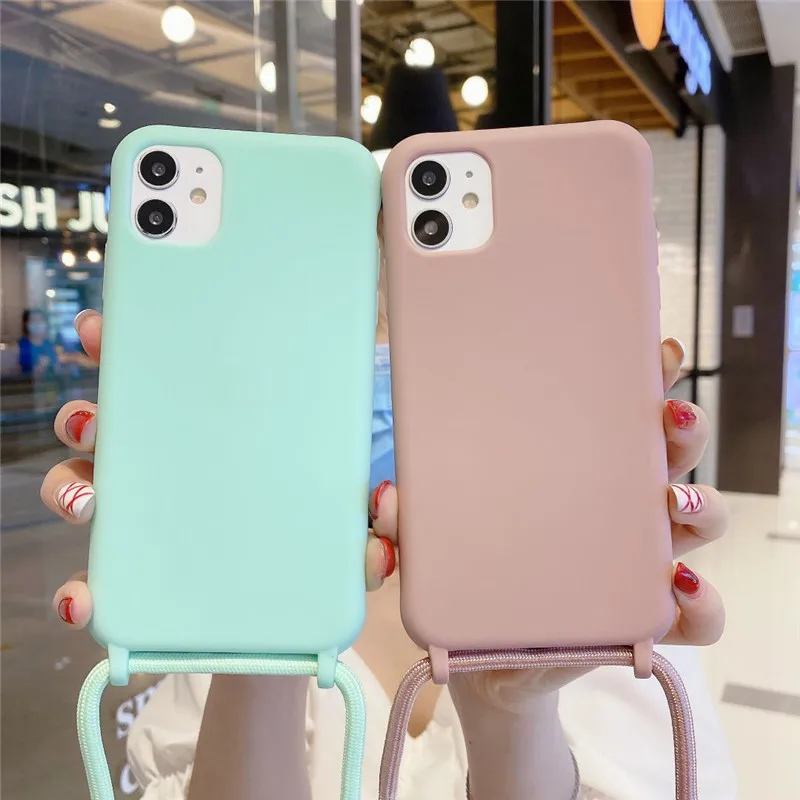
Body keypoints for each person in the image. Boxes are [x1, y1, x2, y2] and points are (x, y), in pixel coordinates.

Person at [42, 291, 737, 799]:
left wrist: (512, 713)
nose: (393, 353)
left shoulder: (595, 596)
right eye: (362, 309)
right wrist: (265, 639)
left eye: (427, 308)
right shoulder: (242, 597)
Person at [18, 309, 59, 376]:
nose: (37, 324)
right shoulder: (21, 346)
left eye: (40, 320)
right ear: (25, 324)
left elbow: (56, 368)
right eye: (33, 320)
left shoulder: (48, 344)